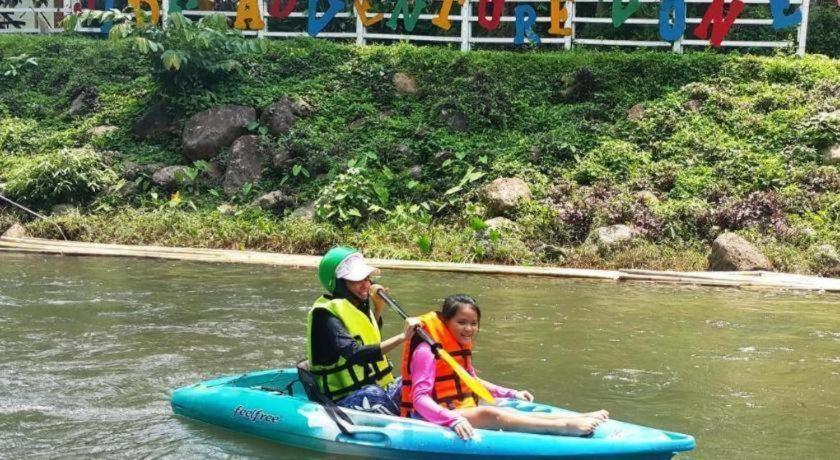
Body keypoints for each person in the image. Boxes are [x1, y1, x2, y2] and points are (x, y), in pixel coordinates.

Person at [400, 294, 610, 440]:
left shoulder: (457, 347)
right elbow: (419, 399)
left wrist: (510, 393)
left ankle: (575, 417)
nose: (469, 328)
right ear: (446, 321)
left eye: (474, 323)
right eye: (461, 322)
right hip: (430, 415)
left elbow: (472, 381)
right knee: (491, 415)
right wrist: (451, 419)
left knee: (503, 410)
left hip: (456, 407)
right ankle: (564, 427)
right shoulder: (426, 351)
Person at [306, 246, 419, 415]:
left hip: (374, 386)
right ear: (339, 284)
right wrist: (403, 337)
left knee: (415, 380)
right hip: (343, 397)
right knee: (375, 396)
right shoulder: (325, 314)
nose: (366, 284)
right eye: (357, 280)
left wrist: (378, 309)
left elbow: (367, 338)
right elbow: (355, 354)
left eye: (367, 278)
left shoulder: (356, 306)